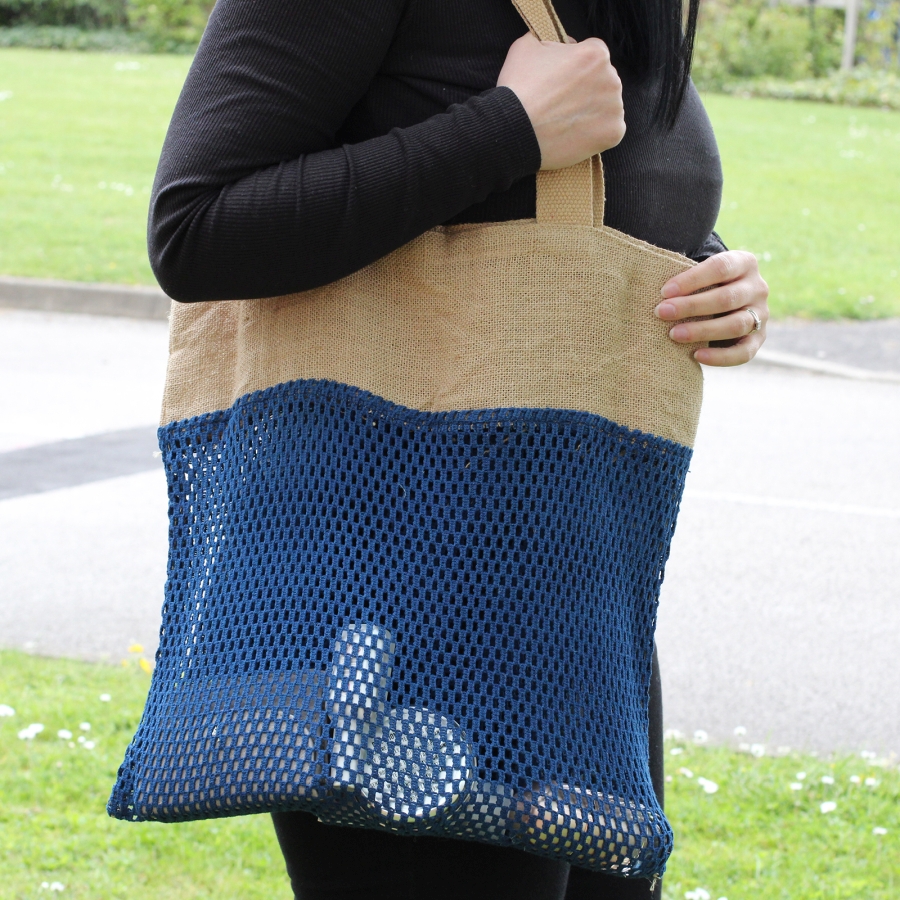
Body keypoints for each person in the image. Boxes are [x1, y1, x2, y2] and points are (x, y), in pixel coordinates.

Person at [147, 0, 769, 896]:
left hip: (577, 596)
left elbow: (597, 184)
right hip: (394, 603)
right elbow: (197, 228)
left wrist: (708, 277)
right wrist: (507, 130)